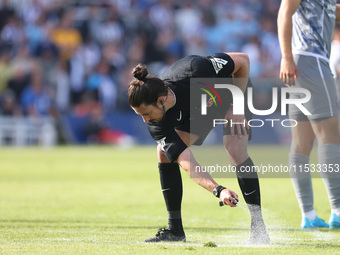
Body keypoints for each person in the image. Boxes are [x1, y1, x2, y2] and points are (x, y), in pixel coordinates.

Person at [127, 52, 270, 244]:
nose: (145, 120)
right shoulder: (156, 123)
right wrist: (218, 190)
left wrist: (236, 106)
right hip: (199, 111)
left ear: (161, 100)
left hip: (234, 93)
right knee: (164, 154)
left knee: (235, 150)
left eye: (145, 113)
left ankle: (259, 229)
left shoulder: (195, 70)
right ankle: (175, 231)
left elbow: (243, 60)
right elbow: (187, 161)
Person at [278, 0, 340, 229]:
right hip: (310, 60)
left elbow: (331, 13)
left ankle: (309, 216)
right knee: (331, 137)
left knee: (301, 143)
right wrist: (286, 57)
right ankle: (338, 211)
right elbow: (285, 10)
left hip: (302, 63)